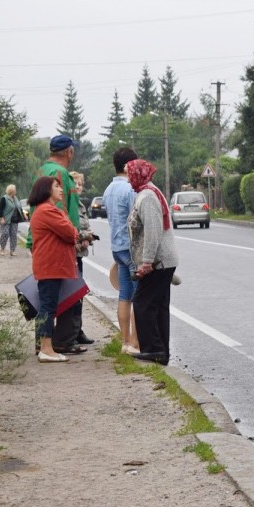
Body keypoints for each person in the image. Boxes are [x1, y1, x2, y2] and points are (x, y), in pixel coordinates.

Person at [27, 135, 89, 354]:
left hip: (47, 243)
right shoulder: (60, 173)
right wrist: (75, 235)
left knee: (49, 298)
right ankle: (58, 342)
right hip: (57, 246)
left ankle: (46, 343)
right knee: (61, 297)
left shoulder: (43, 169)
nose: (60, 190)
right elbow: (60, 215)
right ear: (69, 152)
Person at [127, 159, 179, 364]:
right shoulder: (149, 191)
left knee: (143, 303)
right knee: (157, 305)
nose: (129, 178)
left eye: (130, 173)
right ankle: (161, 351)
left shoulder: (147, 196)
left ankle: (153, 349)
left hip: (157, 262)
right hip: (162, 261)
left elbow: (153, 231)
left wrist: (147, 262)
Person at [27, 177, 78, 363]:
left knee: (48, 306)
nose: (61, 189)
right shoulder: (47, 210)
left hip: (50, 266)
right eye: (56, 186)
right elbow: (70, 232)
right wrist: (73, 230)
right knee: (47, 307)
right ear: (46, 190)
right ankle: (46, 349)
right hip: (50, 267)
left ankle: (46, 347)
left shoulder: (44, 210)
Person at [103, 147, 141, 355]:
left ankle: (124, 341)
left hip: (116, 247)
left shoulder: (108, 189)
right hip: (131, 247)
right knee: (138, 296)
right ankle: (135, 342)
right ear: (129, 166)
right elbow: (136, 220)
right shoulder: (130, 189)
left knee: (124, 295)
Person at [69, 171, 96, 348]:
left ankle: (78, 330)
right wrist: (86, 236)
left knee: (79, 295)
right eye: (75, 184)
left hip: (80, 254)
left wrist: (87, 237)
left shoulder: (80, 204)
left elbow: (85, 225)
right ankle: (71, 332)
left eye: (80, 184)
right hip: (72, 255)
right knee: (73, 295)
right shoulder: (69, 205)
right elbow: (71, 228)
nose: (78, 187)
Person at [0, 184, 24, 256]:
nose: (16, 191)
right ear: (11, 190)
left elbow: (19, 207)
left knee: (13, 235)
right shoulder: (4, 198)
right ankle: (2, 249)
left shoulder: (15, 198)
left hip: (15, 220)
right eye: (15, 190)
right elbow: (0, 209)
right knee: (5, 234)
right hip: (6, 219)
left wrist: (24, 215)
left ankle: (12, 251)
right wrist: (2, 218)